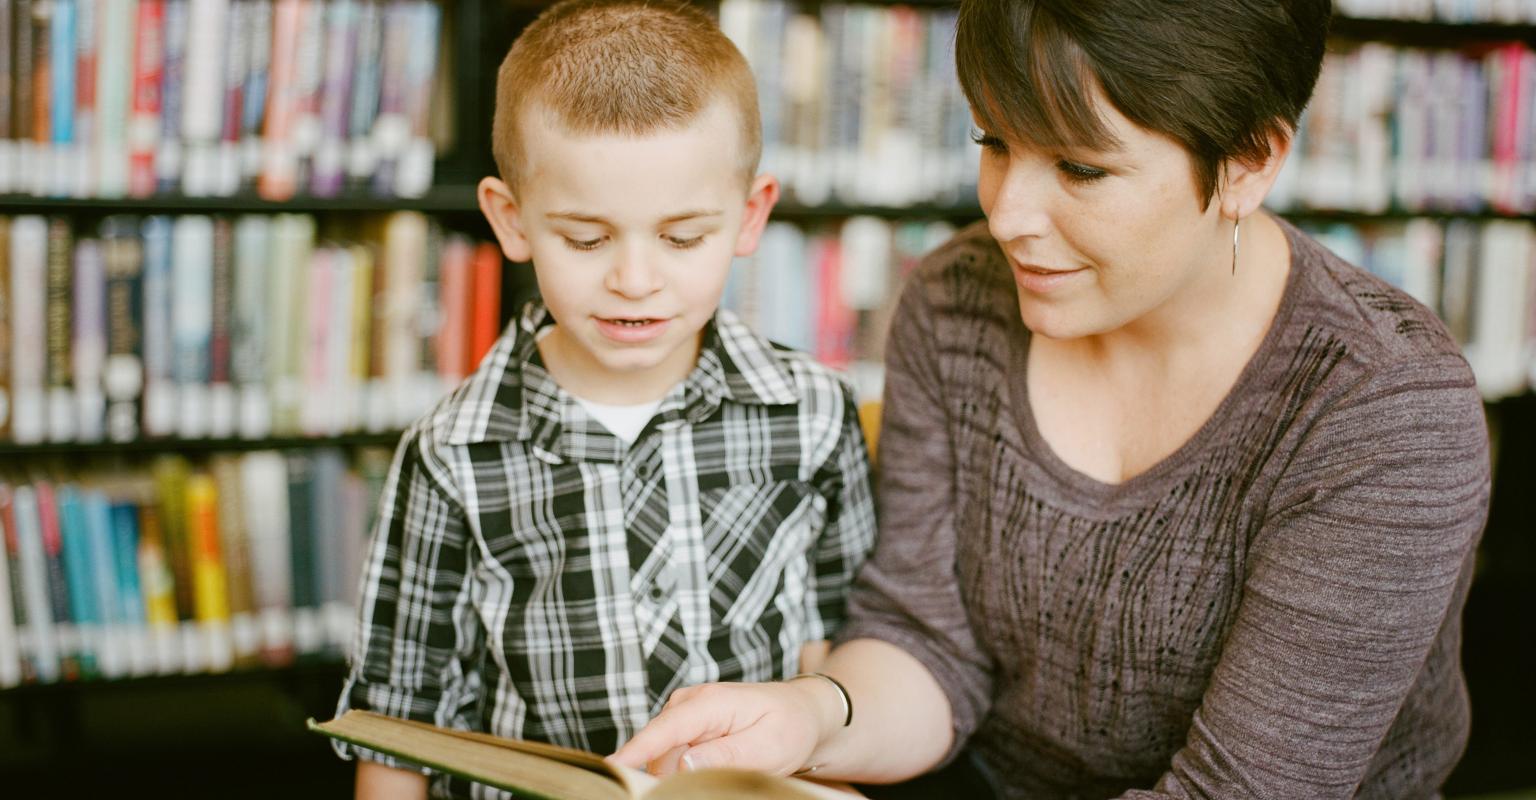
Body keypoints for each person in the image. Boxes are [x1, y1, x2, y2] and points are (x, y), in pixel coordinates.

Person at [611, 0, 1492, 797]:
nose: (1006, 215)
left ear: (1248, 163)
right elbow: (928, 645)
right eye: (994, 143)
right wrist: (811, 717)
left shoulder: (1381, 409)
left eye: (1079, 167)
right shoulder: (957, 301)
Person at [335, 2, 877, 797]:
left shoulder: (815, 413)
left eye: (682, 237)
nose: (634, 280)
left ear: (750, 215)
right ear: (510, 220)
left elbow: (842, 645)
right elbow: (397, 716)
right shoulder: (452, 453)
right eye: (586, 239)